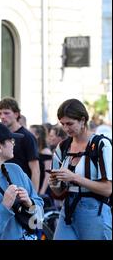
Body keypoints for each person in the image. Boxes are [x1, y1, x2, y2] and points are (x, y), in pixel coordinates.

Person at [50, 99, 112, 240]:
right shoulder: (63, 146)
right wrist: (54, 182)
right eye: (62, 124)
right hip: (68, 208)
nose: (66, 128)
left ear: (83, 120)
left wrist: (74, 178)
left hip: (94, 210)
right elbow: (58, 191)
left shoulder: (101, 144)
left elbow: (108, 189)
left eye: (70, 123)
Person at [0, 97, 40, 191]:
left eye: (6, 113)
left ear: (16, 114)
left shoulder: (27, 136)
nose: (2, 116)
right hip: (4, 187)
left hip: (23, 188)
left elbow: (35, 170)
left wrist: (34, 198)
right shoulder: (1, 136)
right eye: (0, 113)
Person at [29, 124, 53, 196]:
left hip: (43, 188)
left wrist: (42, 191)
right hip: (35, 185)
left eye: (30, 133)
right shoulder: (34, 151)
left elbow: (48, 174)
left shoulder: (46, 151)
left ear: (37, 135)